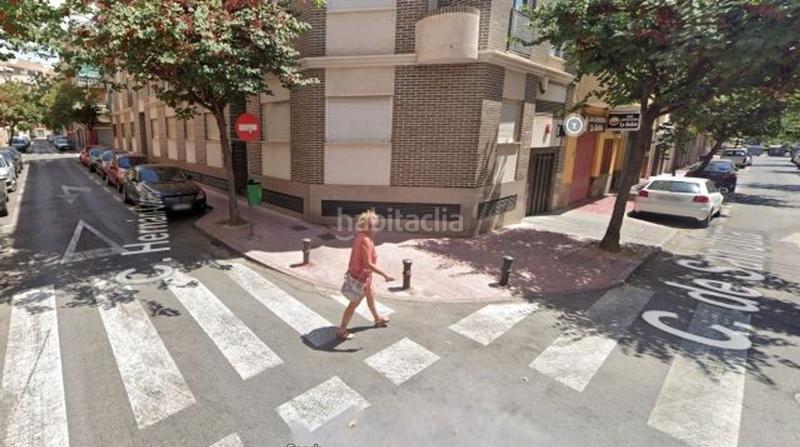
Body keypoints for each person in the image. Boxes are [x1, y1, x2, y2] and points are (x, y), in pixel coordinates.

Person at [336, 210, 395, 340]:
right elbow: (368, 264)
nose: (376, 227)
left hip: (363, 276)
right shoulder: (366, 241)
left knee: (370, 296)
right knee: (353, 304)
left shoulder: (360, 236)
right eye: (374, 224)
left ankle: (377, 319)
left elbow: (355, 256)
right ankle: (341, 330)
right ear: (368, 226)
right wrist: (385, 275)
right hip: (361, 278)